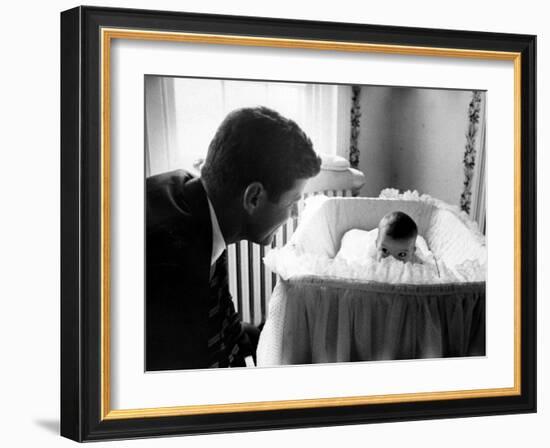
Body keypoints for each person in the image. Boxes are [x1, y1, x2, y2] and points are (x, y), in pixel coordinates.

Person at [146, 106, 322, 371]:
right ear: (253, 198)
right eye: (293, 202)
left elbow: (221, 322)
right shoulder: (172, 260)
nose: (296, 214)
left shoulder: (205, 206)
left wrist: (276, 331)